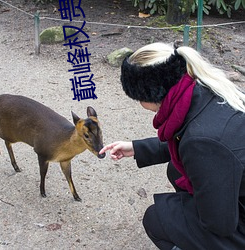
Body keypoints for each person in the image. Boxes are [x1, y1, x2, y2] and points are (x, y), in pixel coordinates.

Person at [99, 42, 245, 250]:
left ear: (150, 93)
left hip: (236, 222)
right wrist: (137, 148)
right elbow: (189, 139)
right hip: (236, 187)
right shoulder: (204, 88)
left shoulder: (202, 142)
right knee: (176, 170)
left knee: (157, 218)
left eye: (138, 98)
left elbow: (220, 224)